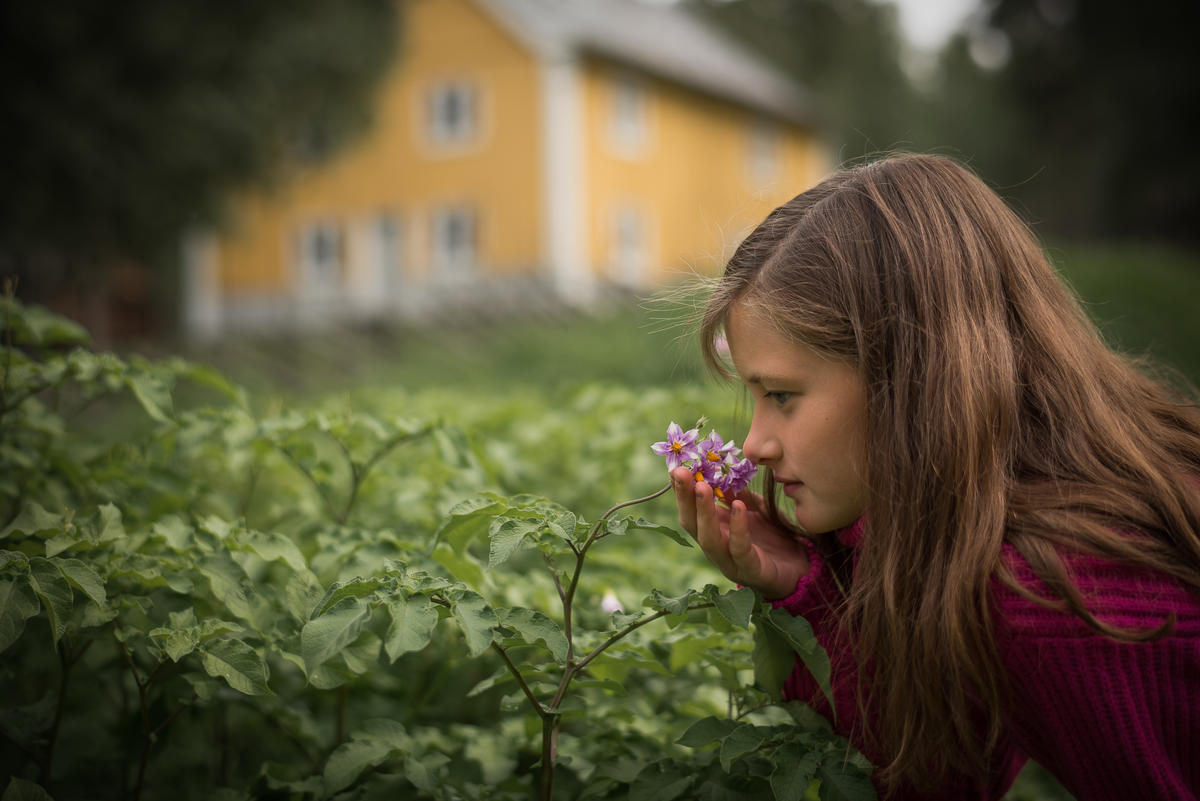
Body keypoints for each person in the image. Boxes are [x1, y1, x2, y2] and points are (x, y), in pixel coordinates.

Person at [670, 153, 1200, 800]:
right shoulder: (1000, 522)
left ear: (907, 380)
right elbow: (948, 753)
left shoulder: (1049, 594)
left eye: (781, 394)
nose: (754, 444)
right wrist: (804, 587)